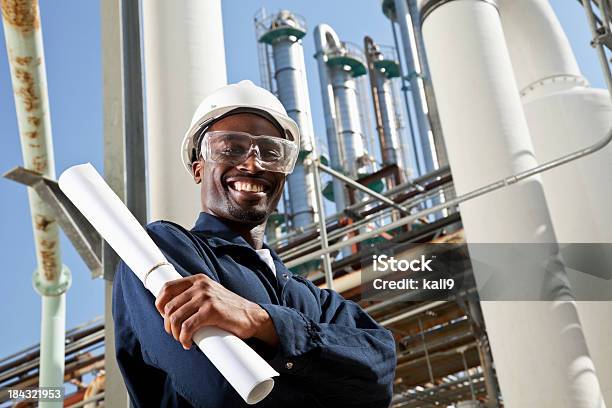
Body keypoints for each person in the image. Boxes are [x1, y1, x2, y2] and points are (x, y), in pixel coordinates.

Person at [112, 80, 397, 407]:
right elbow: (223, 392)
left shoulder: (311, 298)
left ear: (285, 173)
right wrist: (327, 372)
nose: (252, 164)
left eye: (271, 152)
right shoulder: (160, 251)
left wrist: (261, 321)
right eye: (230, 148)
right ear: (198, 168)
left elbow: (381, 369)